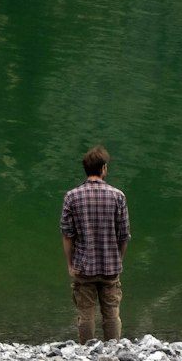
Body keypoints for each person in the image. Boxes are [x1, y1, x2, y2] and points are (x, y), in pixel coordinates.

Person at [59, 145, 131, 344]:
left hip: (83, 266)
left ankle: (86, 352)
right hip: (110, 267)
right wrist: (118, 259)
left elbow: (67, 234)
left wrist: (70, 263)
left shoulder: (72, 196)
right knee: (112, 314)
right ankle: (113, 348)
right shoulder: (118, 196)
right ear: (104, 168)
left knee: (86, 314)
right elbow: (124, 235)